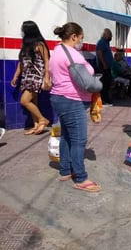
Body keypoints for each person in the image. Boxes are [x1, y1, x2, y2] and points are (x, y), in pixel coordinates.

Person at [49, 22, 101, 192]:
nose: (81, 41)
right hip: (71, 100)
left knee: (67, 136)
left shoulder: (57, 50)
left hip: (59, 97)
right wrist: (99, 85)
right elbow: (87, 83)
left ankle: (65, 170)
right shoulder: (72, 54)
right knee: (79, 139)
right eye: (81, 38)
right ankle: (80, 177)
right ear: (73, 37)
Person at [11, 21, 51, 135]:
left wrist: (47, 76)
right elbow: (21, 62)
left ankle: (43, 119)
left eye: (23, 29)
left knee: (24, 101)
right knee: (33, 101)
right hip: (27, 76)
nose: (21, 32)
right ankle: (36, 125)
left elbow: (47, 60)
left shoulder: (40, 44)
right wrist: (16, 75)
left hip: (36, 76)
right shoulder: (25, 44)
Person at [96, 28, 114, 105]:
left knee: (108, 83)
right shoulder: (101, 42)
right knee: (104, 83)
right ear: (106, 35)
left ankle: (106, 99)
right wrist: (104, 64)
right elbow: (100, 54)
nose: (111, 38)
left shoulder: (106, 42)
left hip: (107, 67)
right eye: (110, 36)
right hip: (103, 67)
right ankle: (103, 100)